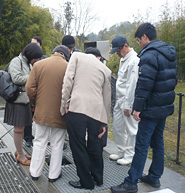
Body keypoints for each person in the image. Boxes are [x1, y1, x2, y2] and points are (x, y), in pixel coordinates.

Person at [110, 23, 177, 193]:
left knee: (141, 144)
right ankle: (154, 177)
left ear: (145, 37)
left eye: (139, 40)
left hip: (151, 107)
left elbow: (144, 84)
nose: (139, 43)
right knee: (158, 142)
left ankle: (131, 182)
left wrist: (137, 108)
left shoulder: (149, 55)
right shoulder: (168, 52)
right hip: (164, 106)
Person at [61, 47, 112, 190]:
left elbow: (67, 82)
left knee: (78, 145)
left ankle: (86, 181)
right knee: (95, 144)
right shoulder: (105, 70)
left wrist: (64, 104)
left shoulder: (77, 56)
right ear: (98, 56)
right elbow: (107, 98)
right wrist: (104, 122)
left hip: (77, 108)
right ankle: (98, 178)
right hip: (96, 112)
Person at [26, 45, 70, 182]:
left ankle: (35, 172)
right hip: (60, 113)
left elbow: (29, 88)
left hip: (42, 111)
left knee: (39, 141)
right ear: (65, 55)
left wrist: (36, 103)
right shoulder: (68, 66)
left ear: (53, 52)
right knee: (57, 143)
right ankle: (53, 175)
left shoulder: (39, 65)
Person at [3, 43, 43, 166]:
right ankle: (20, 155)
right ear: (30, 55)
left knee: (22, 128)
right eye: (35, 57)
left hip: (25, 100)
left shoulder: (27, 63)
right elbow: (16, 78)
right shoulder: (16, 61)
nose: (36, 60)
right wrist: (34, 75)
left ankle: (20, 151)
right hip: (17, 101)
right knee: (18, 129)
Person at [109, 35, 139, 165]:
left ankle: (130, 155)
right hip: (119, 99)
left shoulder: (134, 61)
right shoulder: (124, 59)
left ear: (125, 46)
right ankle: (121, 151)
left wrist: (128, 105)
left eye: (118, 51)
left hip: (128, 101)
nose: (117, 54)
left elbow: (132, 84)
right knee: (117, 127)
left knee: (131, 129)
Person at [23, 36, 48, 147]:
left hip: (41, 95)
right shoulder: (24, 60)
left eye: (35, 44)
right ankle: (28, 138)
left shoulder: (45, 60)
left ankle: (43, 139)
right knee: (27, 119)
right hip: (28, 94)